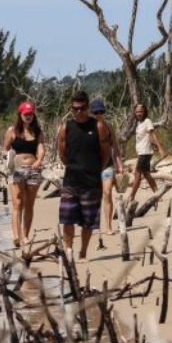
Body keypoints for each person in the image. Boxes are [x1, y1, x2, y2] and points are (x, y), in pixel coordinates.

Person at [57, 90, 111, 261]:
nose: (78, 112)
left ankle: (83, 252)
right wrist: (73, 167)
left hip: (91, 182)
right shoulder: (66, 127)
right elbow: (62, 154)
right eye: (75, 109)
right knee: (67, 219)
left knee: (88, 221)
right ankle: (68, 251)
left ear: (88, 107)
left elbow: (105, 153)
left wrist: (96, 169)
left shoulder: (98, 127)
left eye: (82, 108)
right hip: (71, 180)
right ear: (71, 109)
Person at [2, 100, 45, 247]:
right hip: (17, 169)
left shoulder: (38, 132)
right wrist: (9, 162)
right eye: (25, 114)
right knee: (18, 202)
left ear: (33, 115)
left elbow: (41, 148)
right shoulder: (12, 131)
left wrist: (39, 160)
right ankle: (16, 236)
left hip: (33, 169)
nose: (28, 116)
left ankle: (26, 235)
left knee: (29, 204)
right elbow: (5, 149)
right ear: (20, 114)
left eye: (30, 114)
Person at [90, 99, 124, 235]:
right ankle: (92, 225)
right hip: (91, 167)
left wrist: (119, 164)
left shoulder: (109, 127)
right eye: (95, 112)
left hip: (107, 165)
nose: (98, 114)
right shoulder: (87, 129)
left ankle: (108, 226)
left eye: (101, 111)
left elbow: (114, 146)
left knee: (107, 192)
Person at [128, 103, 166, 199]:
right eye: (136, 112)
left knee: (137, 174)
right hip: (142, 152)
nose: (138, 113)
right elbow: (147, 138)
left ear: (144, 111)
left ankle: (131, 196)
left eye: (140, 111)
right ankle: (158, 194)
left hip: (145, 152)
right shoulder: (138, 123)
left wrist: (160, 148)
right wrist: (154, 145)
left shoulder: (147, 121)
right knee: (146, 174)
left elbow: (152, 135)